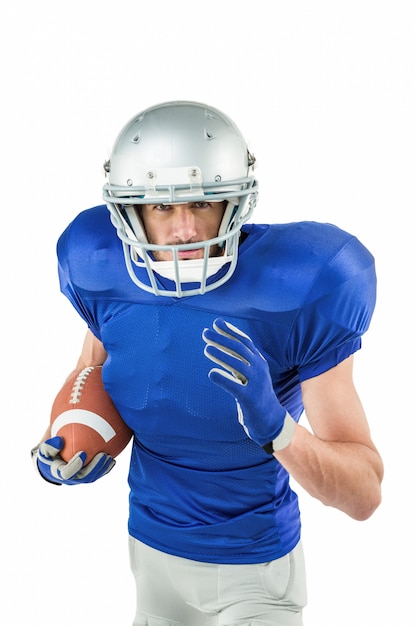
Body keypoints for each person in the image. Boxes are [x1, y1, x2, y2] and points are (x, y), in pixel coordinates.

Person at [32, 101, 384, 625]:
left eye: (201, 202)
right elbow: (97, 372)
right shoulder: (97, 265)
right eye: (161, 207)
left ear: (235, 202)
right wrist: (69, 439)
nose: (184, 230)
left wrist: (279, 429)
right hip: (150, 552)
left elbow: (364, 495)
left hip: (255, 567)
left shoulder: (304, 284)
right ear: (128, 214)